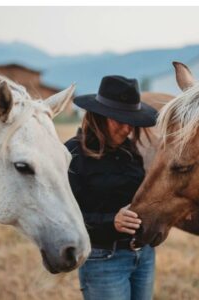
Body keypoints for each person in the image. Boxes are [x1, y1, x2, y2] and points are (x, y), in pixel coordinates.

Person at [65, 75, 158, 300]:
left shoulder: (130, 151)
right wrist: (111, 221)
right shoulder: (72, 154)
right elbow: (67, 218)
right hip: (103, 259)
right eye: (119, 120)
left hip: (143, 255)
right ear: (99, 116)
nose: (127, 128)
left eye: (131, 120)